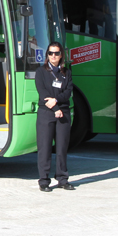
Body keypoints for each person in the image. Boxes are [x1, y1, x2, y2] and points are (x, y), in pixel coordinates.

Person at [34, 42, 74, 192]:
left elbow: (67, 92)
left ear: (61, 55)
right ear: (47, 55)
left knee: (62, 148)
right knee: (44, 148)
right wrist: (55, 108)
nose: (53, 56)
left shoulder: (67, 72)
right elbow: (43, 93)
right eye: (50, 53)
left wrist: (57, 102)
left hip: (63, 113)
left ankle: (62, 179)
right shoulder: (41, 72)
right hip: (46, 113)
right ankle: (44, 181)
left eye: (56, 53)